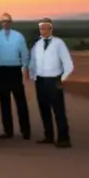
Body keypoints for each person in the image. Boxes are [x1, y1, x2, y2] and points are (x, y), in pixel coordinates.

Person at [29, 17, 74, 148]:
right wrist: (33, 76)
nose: (42, 30)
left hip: (54, 80)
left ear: (51, 28)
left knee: (58, 110)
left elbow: (68, 64)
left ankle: (64, 139)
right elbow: (32, 61)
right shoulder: (37, 44)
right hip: (40, 80)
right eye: (40, 28)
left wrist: (62, 78)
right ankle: (48, 136)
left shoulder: (59, 43)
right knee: (44, 109)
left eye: (45, 28)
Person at [0, 12, 31, 140]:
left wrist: (25, 67)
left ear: (11, 22)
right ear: (1, 23)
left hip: (15, 70)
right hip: (1, 71)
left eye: (7, 21)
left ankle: (26, 131)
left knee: (20, 100)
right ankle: (8, 131)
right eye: (3, 21)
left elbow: (24, 52)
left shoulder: (18, 36)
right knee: (4, 102)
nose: (5, 23)